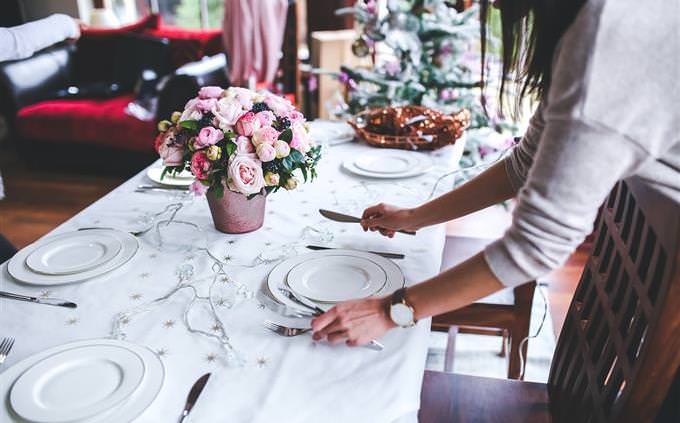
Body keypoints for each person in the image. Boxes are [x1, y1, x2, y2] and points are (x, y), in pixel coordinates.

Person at [311, 0, 679, 346]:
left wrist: (390, 310)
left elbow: (537, 244)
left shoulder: (611, 36)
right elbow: (525, 163)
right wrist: (414, 217)